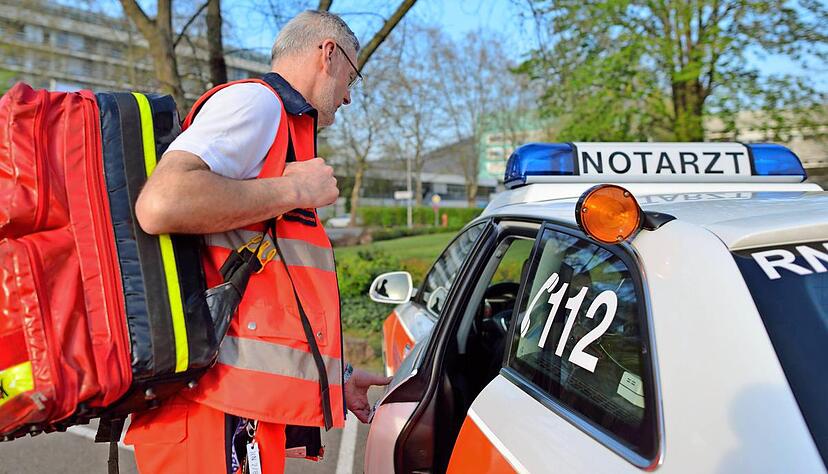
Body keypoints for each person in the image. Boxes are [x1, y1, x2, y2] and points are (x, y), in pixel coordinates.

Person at [124, 10, 391, 473]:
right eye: (351, 77)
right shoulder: (257, 104)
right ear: (328, 54)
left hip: (233, 410)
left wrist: (338, 374)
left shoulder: (282, 126)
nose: (348, 95)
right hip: (212, 412)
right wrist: (295, 190)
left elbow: (268, 294)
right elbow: (161, 203)